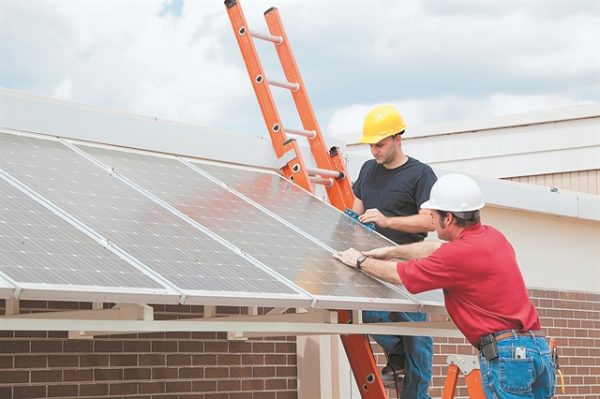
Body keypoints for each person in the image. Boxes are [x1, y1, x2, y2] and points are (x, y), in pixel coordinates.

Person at [335, 173, 556, 398]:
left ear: (448, 218)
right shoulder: (493, 237)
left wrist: (360, 261)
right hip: (537, 350)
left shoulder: (456, 256)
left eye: (433, 216)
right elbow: (433, 248)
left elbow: (398, 275)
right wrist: (390, 251)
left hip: (508, 356)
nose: (431, 221)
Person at [352, 105, 436, 397]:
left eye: (380, 144)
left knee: (418, 339)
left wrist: (387, 220)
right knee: (370, 316)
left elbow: (430, 221)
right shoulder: (367, 170)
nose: (374, 150)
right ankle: (397, 355)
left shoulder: (421, 174)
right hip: (372, 261)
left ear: (398, 139)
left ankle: (415, 394)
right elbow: (356, 211)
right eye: (371, 145)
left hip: (406, 263)